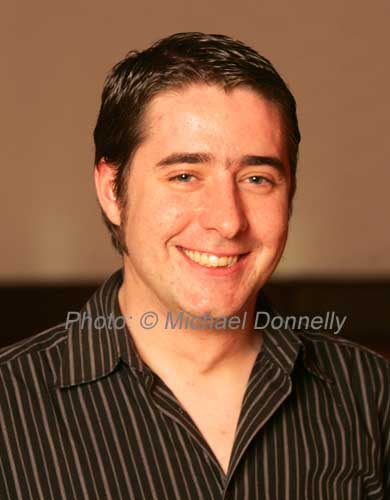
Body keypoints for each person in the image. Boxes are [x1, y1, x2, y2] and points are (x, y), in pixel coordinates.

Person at [0, 32, 388, 500]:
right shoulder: (9, 406)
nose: (227, 220)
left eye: (256, 178)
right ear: (111, 190)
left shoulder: (371, 395)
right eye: (185, 176)